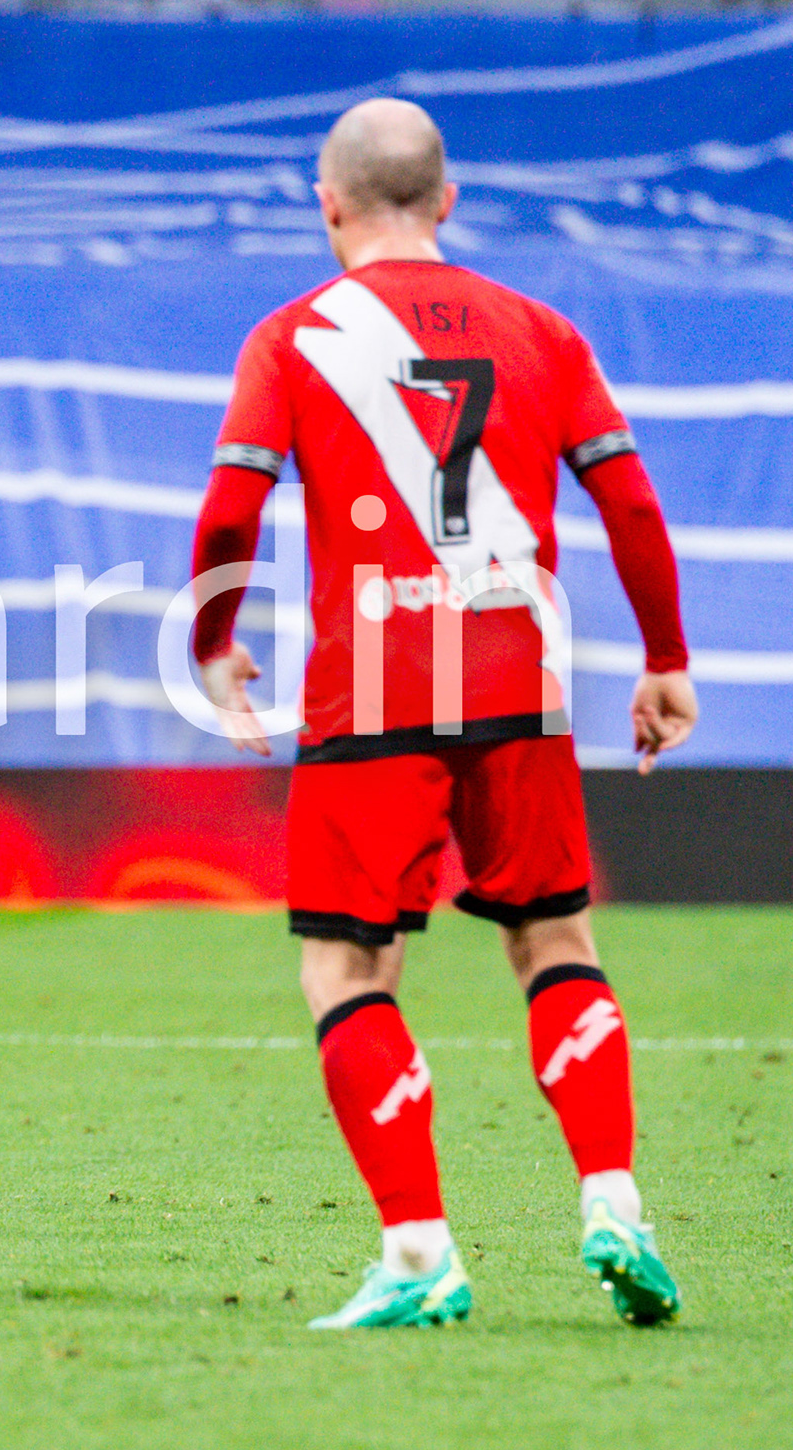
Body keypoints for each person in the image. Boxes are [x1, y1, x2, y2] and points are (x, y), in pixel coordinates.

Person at [184, 98, 696, 1333]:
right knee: (555, 944)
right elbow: (631, 502)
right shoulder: (543, 331)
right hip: (520, 681)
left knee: (348, 968)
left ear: (328, 203)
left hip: (370, 687)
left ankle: (419, 1254)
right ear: (448, 200)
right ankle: (614, 1203)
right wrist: (665, 658)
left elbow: (233, 507)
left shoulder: (292, 337)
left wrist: (212, 640)